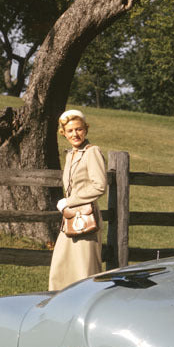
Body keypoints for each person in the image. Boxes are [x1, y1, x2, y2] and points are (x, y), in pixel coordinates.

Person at [48, 109, 107, 291]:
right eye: (70, 131)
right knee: (60, 268)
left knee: (84, 271)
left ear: (86, 130)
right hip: (71, 219)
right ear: (63, 133)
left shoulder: (92, 152)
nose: (75, 134)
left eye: (79, 129)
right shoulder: (71, 154)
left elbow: (99, 186)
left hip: (86, 221)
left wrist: (70, 201)